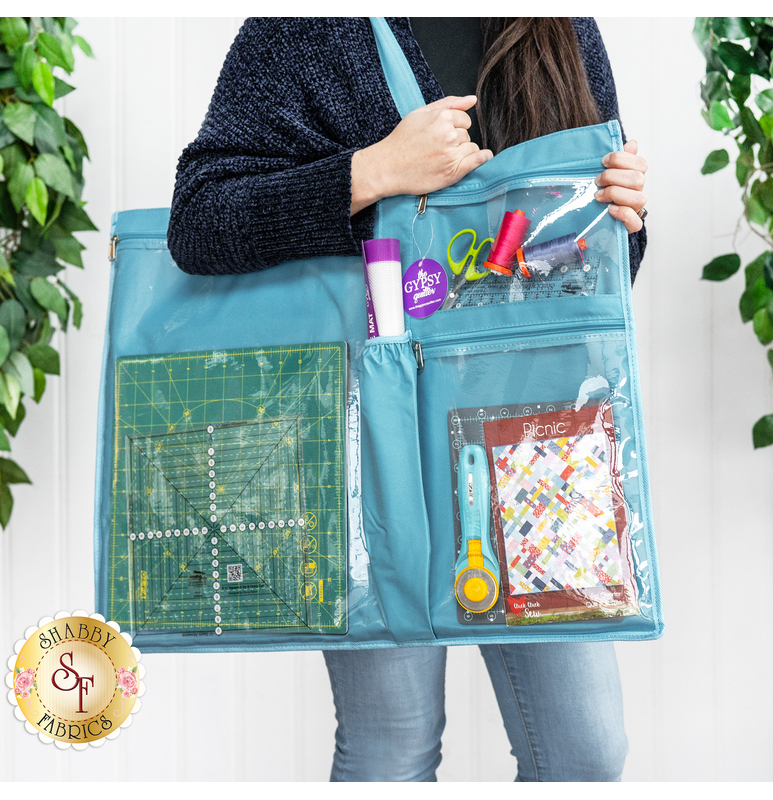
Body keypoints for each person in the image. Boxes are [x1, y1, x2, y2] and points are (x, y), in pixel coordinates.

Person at [168, 17, 648, 782]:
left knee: (586, 751)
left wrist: (620, 214)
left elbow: (585, 275)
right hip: (364, 431)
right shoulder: (304, 29)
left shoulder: (559, 26)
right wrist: (372, 171)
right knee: (392, 746)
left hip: (536, 443)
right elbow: (198, 223)